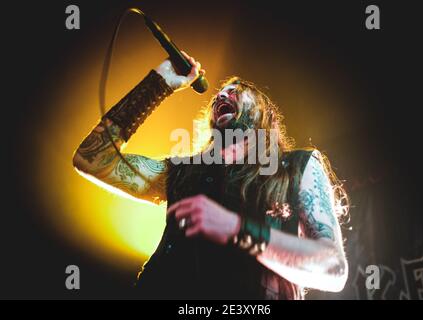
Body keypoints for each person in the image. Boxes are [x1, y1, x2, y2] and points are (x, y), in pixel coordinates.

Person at [72, 52, 348, 299]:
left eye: (236, 92)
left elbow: (333, 269)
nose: (221, 96)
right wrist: (159, 83)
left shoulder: (294, 166)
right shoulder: (182, 171)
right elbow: (93, 159)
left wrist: (235, 229)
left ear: (270, 118)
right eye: (219, 95)